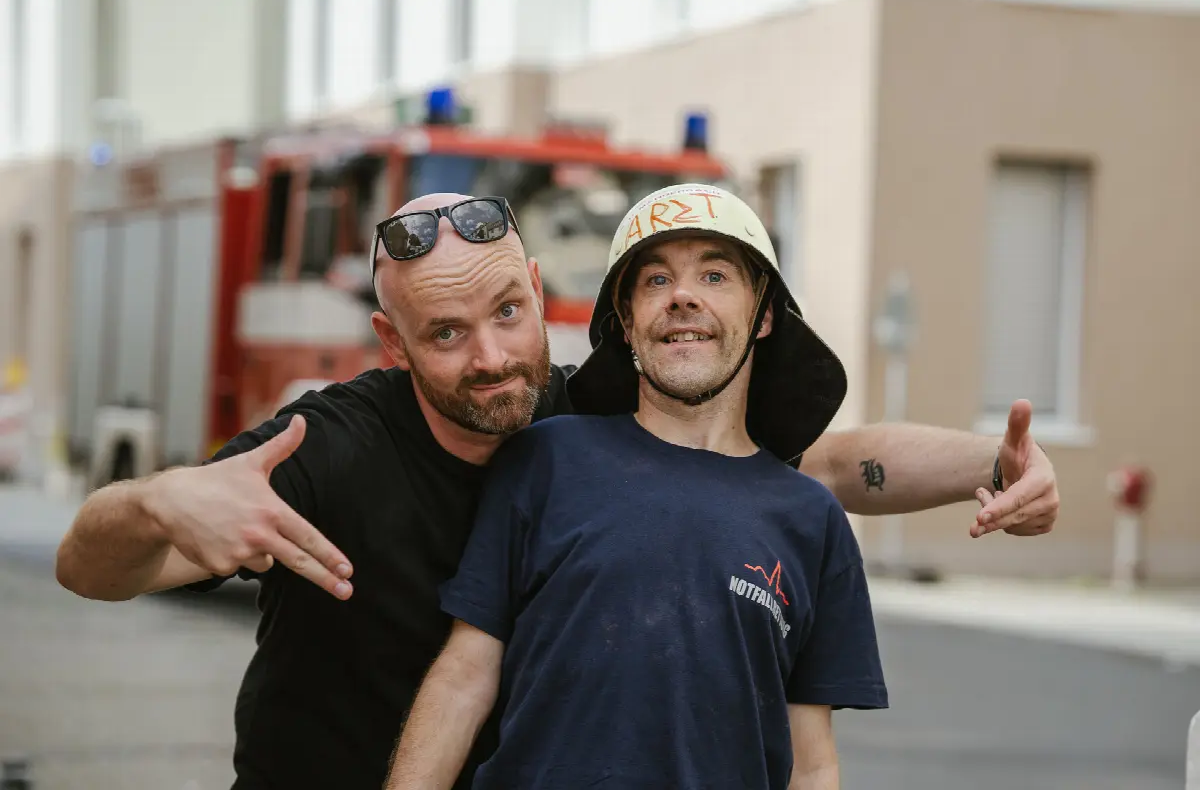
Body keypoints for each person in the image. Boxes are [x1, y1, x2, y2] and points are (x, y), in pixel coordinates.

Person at [54, 191, 1057, 790]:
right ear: (392, 342)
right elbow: (88, 566)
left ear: (538, 288)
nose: (492, 358)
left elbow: (825, 467)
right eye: (446, 334)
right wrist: (154, 502)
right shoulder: (328, 449)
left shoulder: (574, 419)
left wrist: (997, 462)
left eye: (507, 311)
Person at [385, 183, 885, 790]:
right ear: (625, 322)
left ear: (764, 316)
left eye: (716, 276)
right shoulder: (546, 458)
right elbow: (465, 676)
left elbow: (811, 762)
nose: (681, 297)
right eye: (654, 281)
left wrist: (991, 467)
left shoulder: (812, 520)